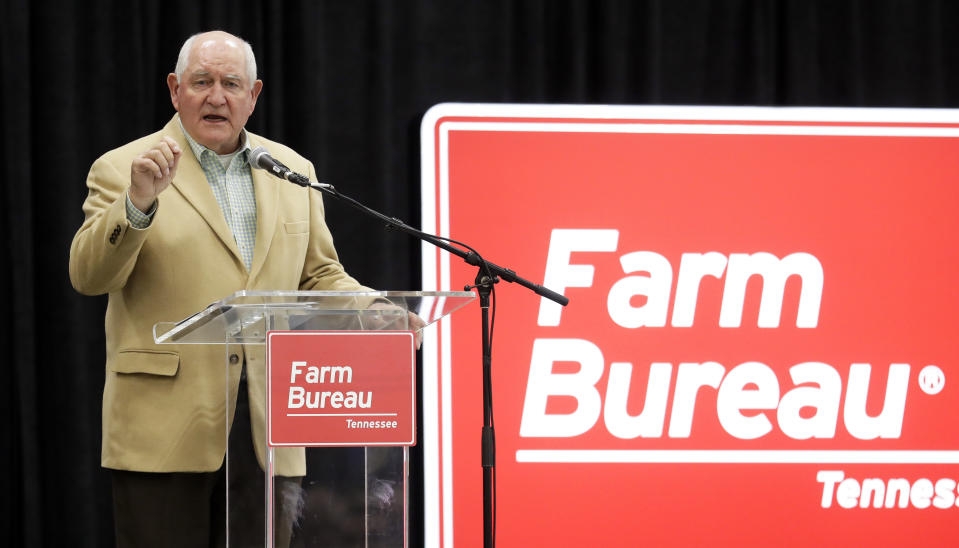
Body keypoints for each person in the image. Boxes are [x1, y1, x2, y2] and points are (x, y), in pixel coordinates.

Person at [69, 30, 417, 547]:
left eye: (231, 84)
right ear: (174, 89)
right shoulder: (126, 168)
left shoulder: (293, 171)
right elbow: (89, 275)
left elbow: (319, 275)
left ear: (253, 95)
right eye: (201, 82)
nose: (216, 97)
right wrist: (138, 204)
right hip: (164, 428)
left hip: (265, 430)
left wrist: (374, 310)